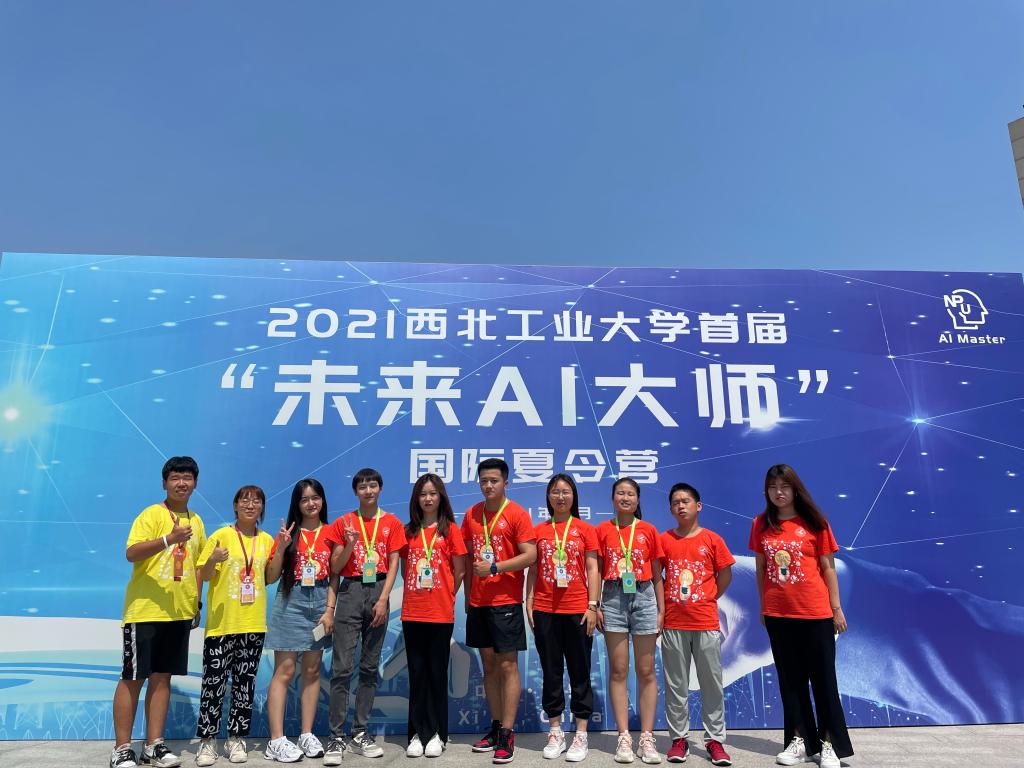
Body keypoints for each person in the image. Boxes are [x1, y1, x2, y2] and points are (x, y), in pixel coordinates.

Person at [748, 465, 852, 768]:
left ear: (795, 489)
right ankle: (800, 741)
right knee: (790, 681)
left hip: (815, 613)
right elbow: (760, 569)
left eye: (784, 486)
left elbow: (828, 568)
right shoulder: (760, 524)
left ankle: (830, 743)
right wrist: (764, 606)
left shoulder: (815, 522)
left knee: (823, 680)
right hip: (778, 613)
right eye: (772, 487)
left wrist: (836, 608)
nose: (778, 492)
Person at [111, 456, 207, 768]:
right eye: (176, 477)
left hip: (178, 613)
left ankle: (153, 746)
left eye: (187, 478)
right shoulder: (151, 514)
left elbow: (197, 566)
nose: (182, 483)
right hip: (146, 612)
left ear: (195, 483)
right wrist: (169, 539)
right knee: (133, 678)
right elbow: (131, 553)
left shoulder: (197, 521)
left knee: (162, 678)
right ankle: (122, 749)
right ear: (165, 483)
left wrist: (196, 603)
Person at [323, 468, 407, 764]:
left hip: (379, 591)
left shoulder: (392, 523)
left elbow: (394, 563)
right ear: (355, 491)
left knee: (370, 668)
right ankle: (336, 737)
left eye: (373, 486)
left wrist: (384, 599)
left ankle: (360, 732)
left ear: (380, 489)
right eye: (362, 487)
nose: (368, 491)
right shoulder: (344, 523)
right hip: (350, 591)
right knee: (342, 668)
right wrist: (350, 543)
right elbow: (335, 567)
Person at [194, 485, 275, 766]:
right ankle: (207, 742)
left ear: (262, 507)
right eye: (245, 500)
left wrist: (282, 549)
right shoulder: (221, 536)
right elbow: (204, 575)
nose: (250, 505)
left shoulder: (266, 540)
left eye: (256, 501)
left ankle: (236, 738)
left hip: (253, 624)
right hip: (222, 624)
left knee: (244, 685)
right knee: (213, 685)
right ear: (235, 506)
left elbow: (270, 577)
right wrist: (212, 560)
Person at [463, 458, 537, 764]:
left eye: (494, 480)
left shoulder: (516, 514)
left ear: (506, 482)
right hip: (478, 603)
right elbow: (469, 560)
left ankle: (508, 732)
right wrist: (468, 596)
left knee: (508, 666)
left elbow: (530, 555)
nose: (488, 485)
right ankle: (495, 727)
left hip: (505, 602)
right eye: (484, 481)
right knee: (489, 667)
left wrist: (495, 567)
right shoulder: (471, 514)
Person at [525, 474, 601, 762]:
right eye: (555, 492)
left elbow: (592, 568)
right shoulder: (539, 531)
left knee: (580, 672)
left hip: (578, 610)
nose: (560, 496)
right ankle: (555, 731)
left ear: (574, 496)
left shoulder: (585, 529)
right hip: (545, 610)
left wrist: (592, 606)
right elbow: (533, 570)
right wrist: (529, 601)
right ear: (548, 497)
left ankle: (580, 733)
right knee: (551, 671)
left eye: (565, 492)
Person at [658, 483, 734, 767]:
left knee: (711, 684)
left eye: (686, 501)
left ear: (698, 506)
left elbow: (725, 575)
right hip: (673, 623)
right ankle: (679, 740)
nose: (681, 506)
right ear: (670, 509)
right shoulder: (664, 540)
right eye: (675, 502)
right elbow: (656, 578)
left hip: (705, 622)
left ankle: (715, 741)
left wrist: (708, 597)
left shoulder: (712, 539)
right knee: (676, 685)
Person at [263, 479, 337, 763]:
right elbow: (270, 578)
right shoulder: (287, 534)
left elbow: (335, 575)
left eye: (315, 497)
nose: (311, 503)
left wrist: (329, 610)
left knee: (313, 670)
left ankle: (306, 734)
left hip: (319, 603)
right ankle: (276, 740)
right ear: (297, 503)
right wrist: (282, 547)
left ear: (323, 500)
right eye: (304, 499)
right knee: (285, 669)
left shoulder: (331, 532)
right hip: (290, 602)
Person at [595, 477, 665, 765]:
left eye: (630, 494)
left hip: (644, 595)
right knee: (619, 670)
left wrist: (661, 610)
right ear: (613, 499)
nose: (625, 498)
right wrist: (596, 604)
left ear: (638, 500)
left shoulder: (648, 530)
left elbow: (658, 574)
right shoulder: (602, 530)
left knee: (646, 670)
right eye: (620, 493)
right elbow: (596, 570)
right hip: (612, 597)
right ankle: (623, 737)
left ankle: (647, 737)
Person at [400, 473, 468, 758]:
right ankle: (417, 733)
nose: (428, 498)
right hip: (412, 612)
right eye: (422, 494)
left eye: (432, 493)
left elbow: (460, 570)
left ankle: (438, 733)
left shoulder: (450, 530)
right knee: (417, 675)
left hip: (440, 612)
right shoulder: (409, 531)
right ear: (416, 499)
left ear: (441, 497)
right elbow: (404, 569)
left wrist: (447, 595)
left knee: (437, 673)